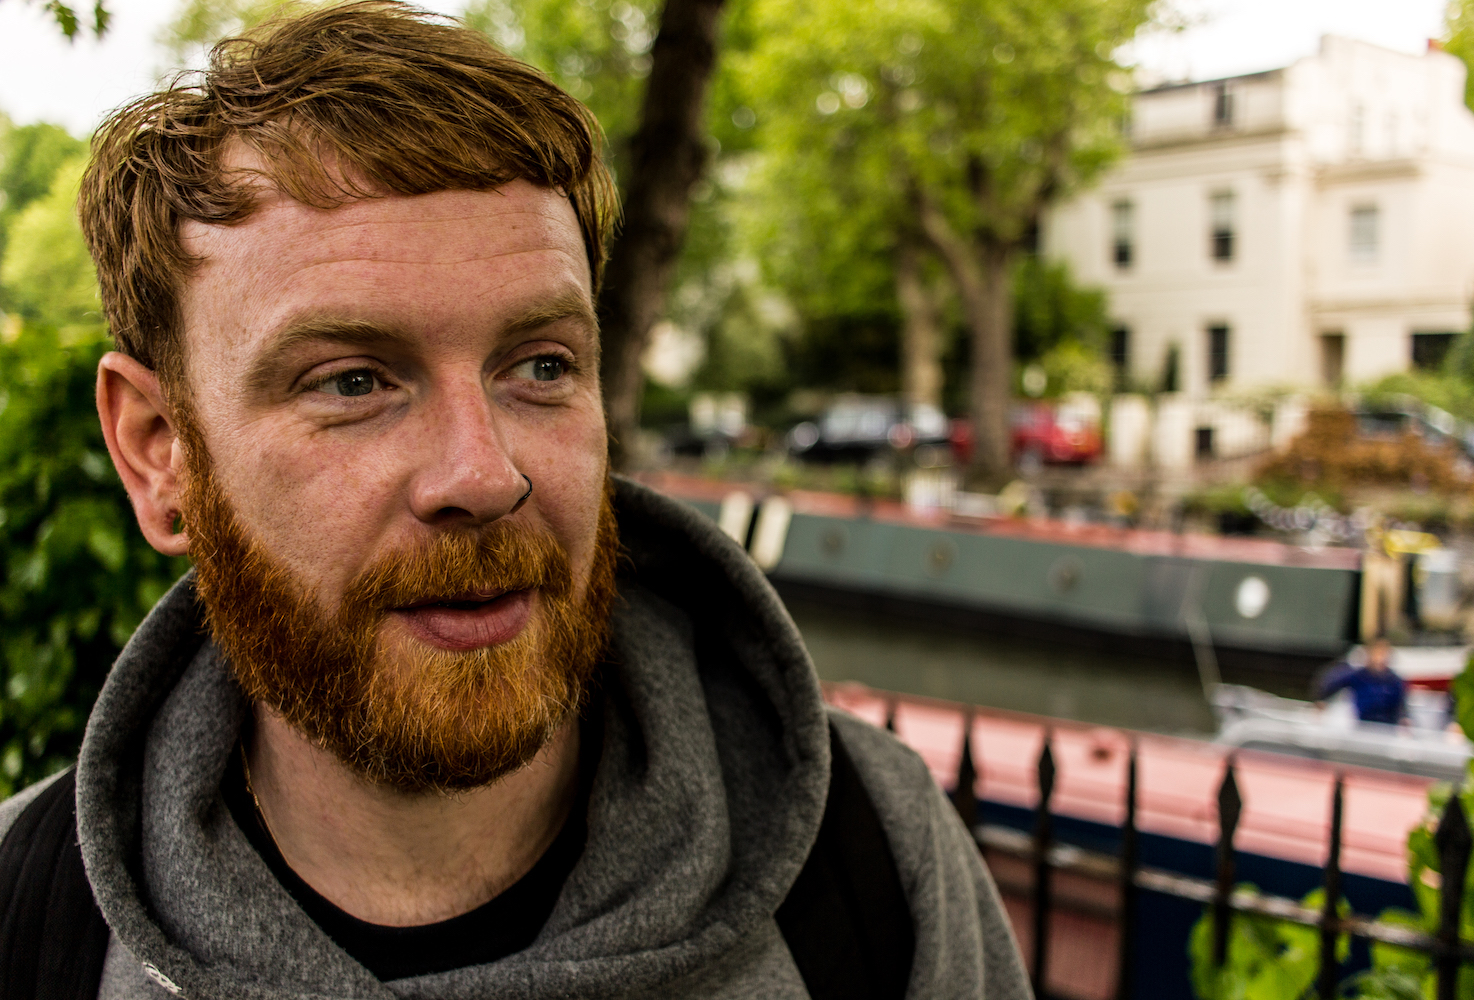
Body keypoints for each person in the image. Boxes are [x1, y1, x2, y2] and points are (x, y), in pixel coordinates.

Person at [0, 4, 1029, 998]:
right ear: (158, 453)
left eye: (540, 364)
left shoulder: (874, 858)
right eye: (354, 380)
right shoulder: (23, 918)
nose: (485, 475)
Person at [1316, 638, 1407, 725]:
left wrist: (1404, 718)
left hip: (1387, 726)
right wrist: (1322, 700)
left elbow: (1401, 704)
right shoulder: (1359, 676)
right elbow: (1332, 684)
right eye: (1378, 654)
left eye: (1384, 654)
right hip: (1364, 724)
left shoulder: (1394, 680)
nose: (1380, 659)